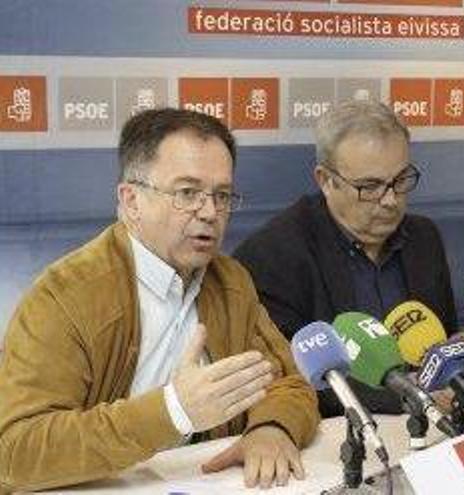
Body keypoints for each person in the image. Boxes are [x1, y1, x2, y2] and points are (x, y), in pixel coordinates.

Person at [0, 109, 319, 492]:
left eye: (221, 195)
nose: (210, 212)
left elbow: (288, 384)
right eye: (187, 193)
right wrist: (173, 410)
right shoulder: (64, 296)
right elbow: (16, 451)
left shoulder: (230, 280)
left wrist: (272, 427)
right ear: (131, 200)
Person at [233, 101, 456, 416]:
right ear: (326, 180)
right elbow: (287, 380)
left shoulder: (424, 240)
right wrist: (404, 396)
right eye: (370, 186)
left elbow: (436, 338)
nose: (391, 200)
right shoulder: (275, 255)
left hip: (433, 430)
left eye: (401, 180)